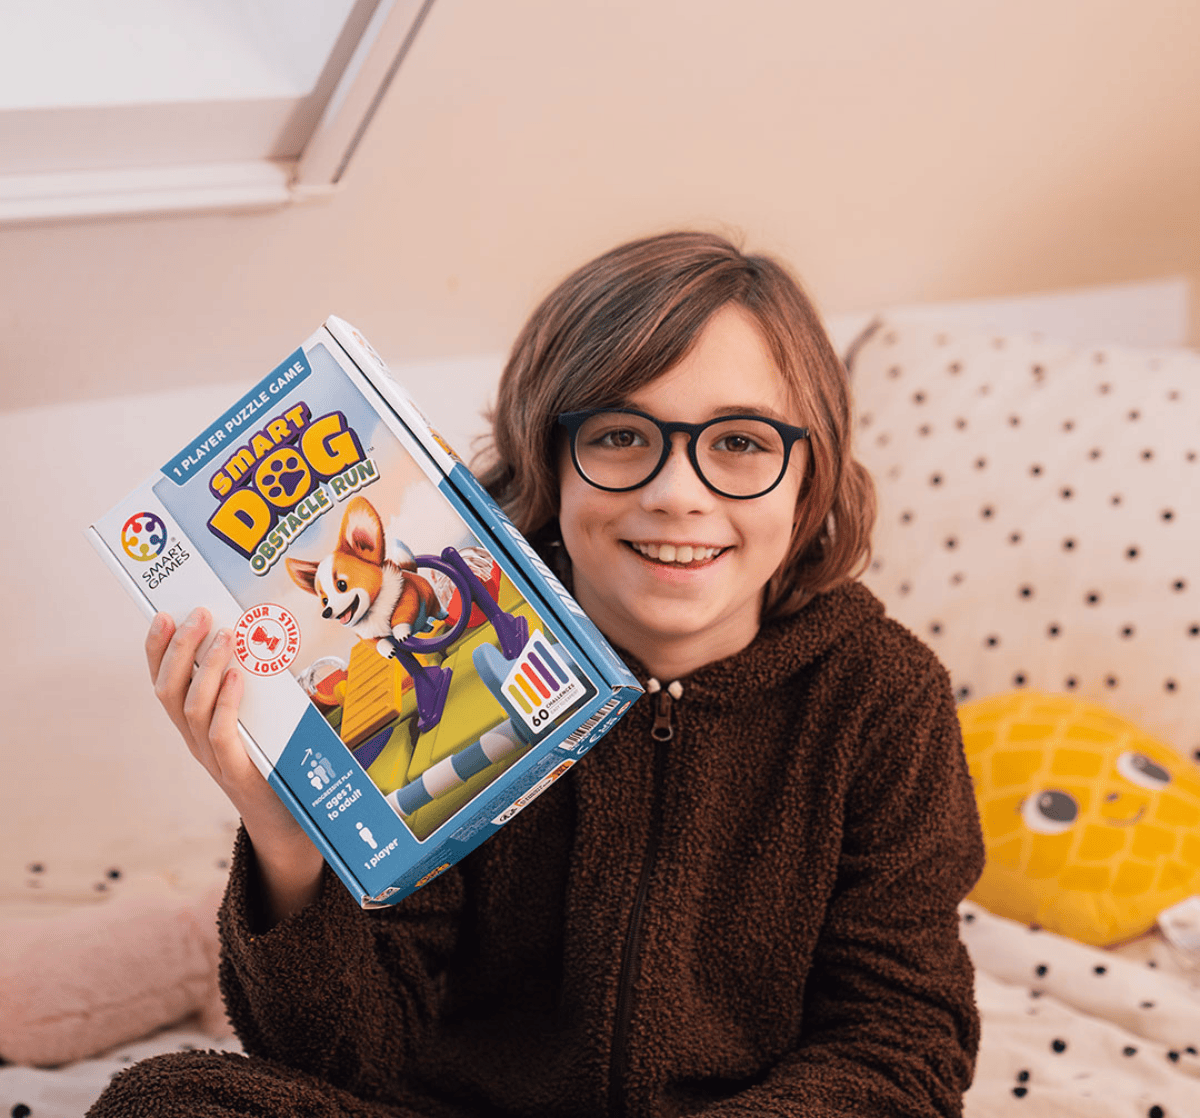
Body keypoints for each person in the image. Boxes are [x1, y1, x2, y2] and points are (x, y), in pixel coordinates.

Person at [89, 231, 984, 1118]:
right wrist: (290, 845)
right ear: (547, 461)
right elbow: (341, 1061)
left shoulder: (881, 695)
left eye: (741, 442)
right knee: (163, 1102)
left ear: (810, 473)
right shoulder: (445, 681)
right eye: (622, 435)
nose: (677, 494)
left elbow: (900, 1042)